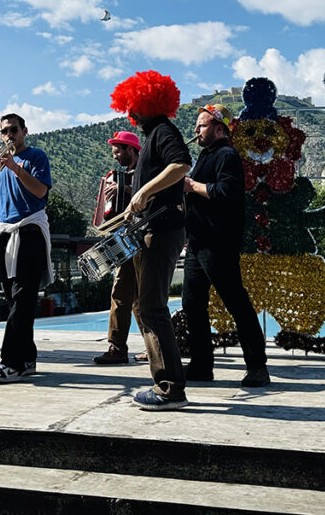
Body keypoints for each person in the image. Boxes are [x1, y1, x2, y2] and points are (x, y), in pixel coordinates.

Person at [110, 71, 192, 410]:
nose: (130, 113)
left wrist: (142, 191)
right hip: (151, 228)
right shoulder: (155, 135)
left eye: (132, 107)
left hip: (162, 231)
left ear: (144, 104)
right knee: (148, 306)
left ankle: (169, 388)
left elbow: (182, 164)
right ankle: (166, 384)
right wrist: (135, 209)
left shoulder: (163, 131)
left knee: (151, 307)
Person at [181, 104, 269, 388]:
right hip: (197, 243)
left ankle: (257, 367)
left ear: (220, 129)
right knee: (191, 305)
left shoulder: (227, 155)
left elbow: (226, 194)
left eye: (202, 125)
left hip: (218, 243)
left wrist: (192, 186)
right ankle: (201, 366)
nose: (196, 130)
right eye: (197, 126)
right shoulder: (204, 157)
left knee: (236, 303)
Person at [0, 113, 52, 383]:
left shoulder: (36, 157)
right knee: (14, 301)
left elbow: (39, 193)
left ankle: (9, 362)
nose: (8, 136)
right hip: (6, 234)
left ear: (24, 131)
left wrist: (16, 168)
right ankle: (26, 359)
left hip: (29, 231)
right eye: (4, 131)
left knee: (22, 300)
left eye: (13, 130)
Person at [91, 130, 144, 365]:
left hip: (142, 239)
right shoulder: (116, 175)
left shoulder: (146, 173)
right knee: (126, 294)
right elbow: (108, 211)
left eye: (118, 151)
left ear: (130, 150)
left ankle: (118, 349)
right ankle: (124, 346)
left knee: (132, 296)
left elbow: (153, 196)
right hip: (123, 239)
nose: (115, 157)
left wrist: (124, 190)